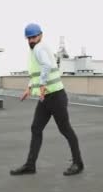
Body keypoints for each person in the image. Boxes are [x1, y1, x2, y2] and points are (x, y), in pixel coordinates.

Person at [10, 23, 84, 176]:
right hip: (46, 98)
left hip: (56, 96)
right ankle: (30, 165)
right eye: (29, 38)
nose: (31, 40)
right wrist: (30, 87)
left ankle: (78, 163)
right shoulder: (33, 50)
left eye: (34, 37)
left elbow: (46, 66)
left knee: (65, 129)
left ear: (41, 35)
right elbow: (36, 74)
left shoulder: (40, 48)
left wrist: (42, 84)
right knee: (36, 128)